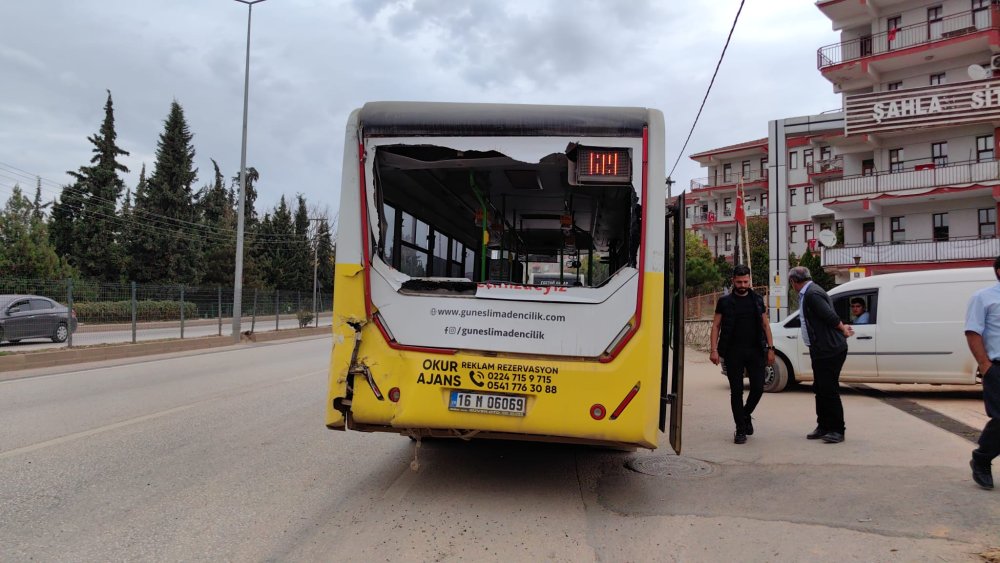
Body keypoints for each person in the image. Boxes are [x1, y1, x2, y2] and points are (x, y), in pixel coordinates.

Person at [710, 264, 776, 444]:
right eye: (739, 282)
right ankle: (740, 429)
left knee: (758, 388)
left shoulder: (757, 299)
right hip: (733, 352)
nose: (742, 285)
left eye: (745, 281)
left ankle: (745, 415)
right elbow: (716, 326)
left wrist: (771, 349)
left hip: (755, 351)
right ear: (733, 281)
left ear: (749, 280)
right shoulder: (724, 301)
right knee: (736, 391)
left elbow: (765, 325)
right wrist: (714, 350)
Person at [788, 266, 854, 444]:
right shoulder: (809, 292)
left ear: (793, 282)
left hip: (830, 349)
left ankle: (837, 430)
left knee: (829, 389)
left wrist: (843, 329)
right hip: (820, 349)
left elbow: (830, 316)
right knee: (820, 388)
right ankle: (823, 426)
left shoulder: (812, 295)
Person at [963, 255, 1000, 490]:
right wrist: (985, 365)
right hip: (997, 367)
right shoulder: (983, 297)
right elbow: (972, 332)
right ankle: (982, 459)